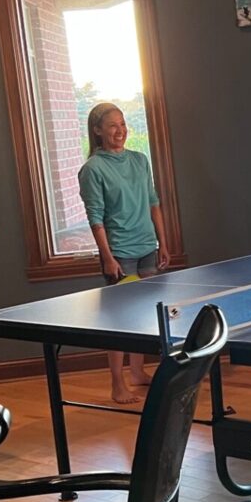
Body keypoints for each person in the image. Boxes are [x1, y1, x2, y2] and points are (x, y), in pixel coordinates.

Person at [77, 102, 171, 404]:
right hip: (121, 253)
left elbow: (153, 202)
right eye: (113, 125)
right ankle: (117, 385)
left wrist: (163, 243)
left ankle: (137, 372)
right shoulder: (93, 169)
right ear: (98, 131)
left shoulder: (140, 160)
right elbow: (96, 216)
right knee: (119, 321)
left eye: (123, 123)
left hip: (147, 249)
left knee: (144, 315)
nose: (121, 130)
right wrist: (107, 256)